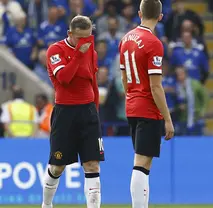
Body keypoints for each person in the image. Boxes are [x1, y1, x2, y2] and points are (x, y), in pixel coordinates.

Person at [42, 15, 104, 208]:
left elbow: (93, 82)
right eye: (80, 37)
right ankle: (46, 204)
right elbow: (64, 79)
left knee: (92, 165)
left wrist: (95, 110)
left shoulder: (91, 52)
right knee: (57, 166)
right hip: (64, 113)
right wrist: (78, 54)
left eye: (88, 37)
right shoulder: (55, 50)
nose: (84, 42)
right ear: (70, 34)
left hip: (87, 112)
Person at [118, 0, 174, 207]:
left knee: (140, 162)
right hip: (148, 109)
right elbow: (156, 87)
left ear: (139, 13)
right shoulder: (154, 43)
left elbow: (124, 78)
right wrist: (168, 119)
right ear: (160, 16)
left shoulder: (125, 39)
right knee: (142, 164)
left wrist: (131, 97)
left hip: (132, 105)